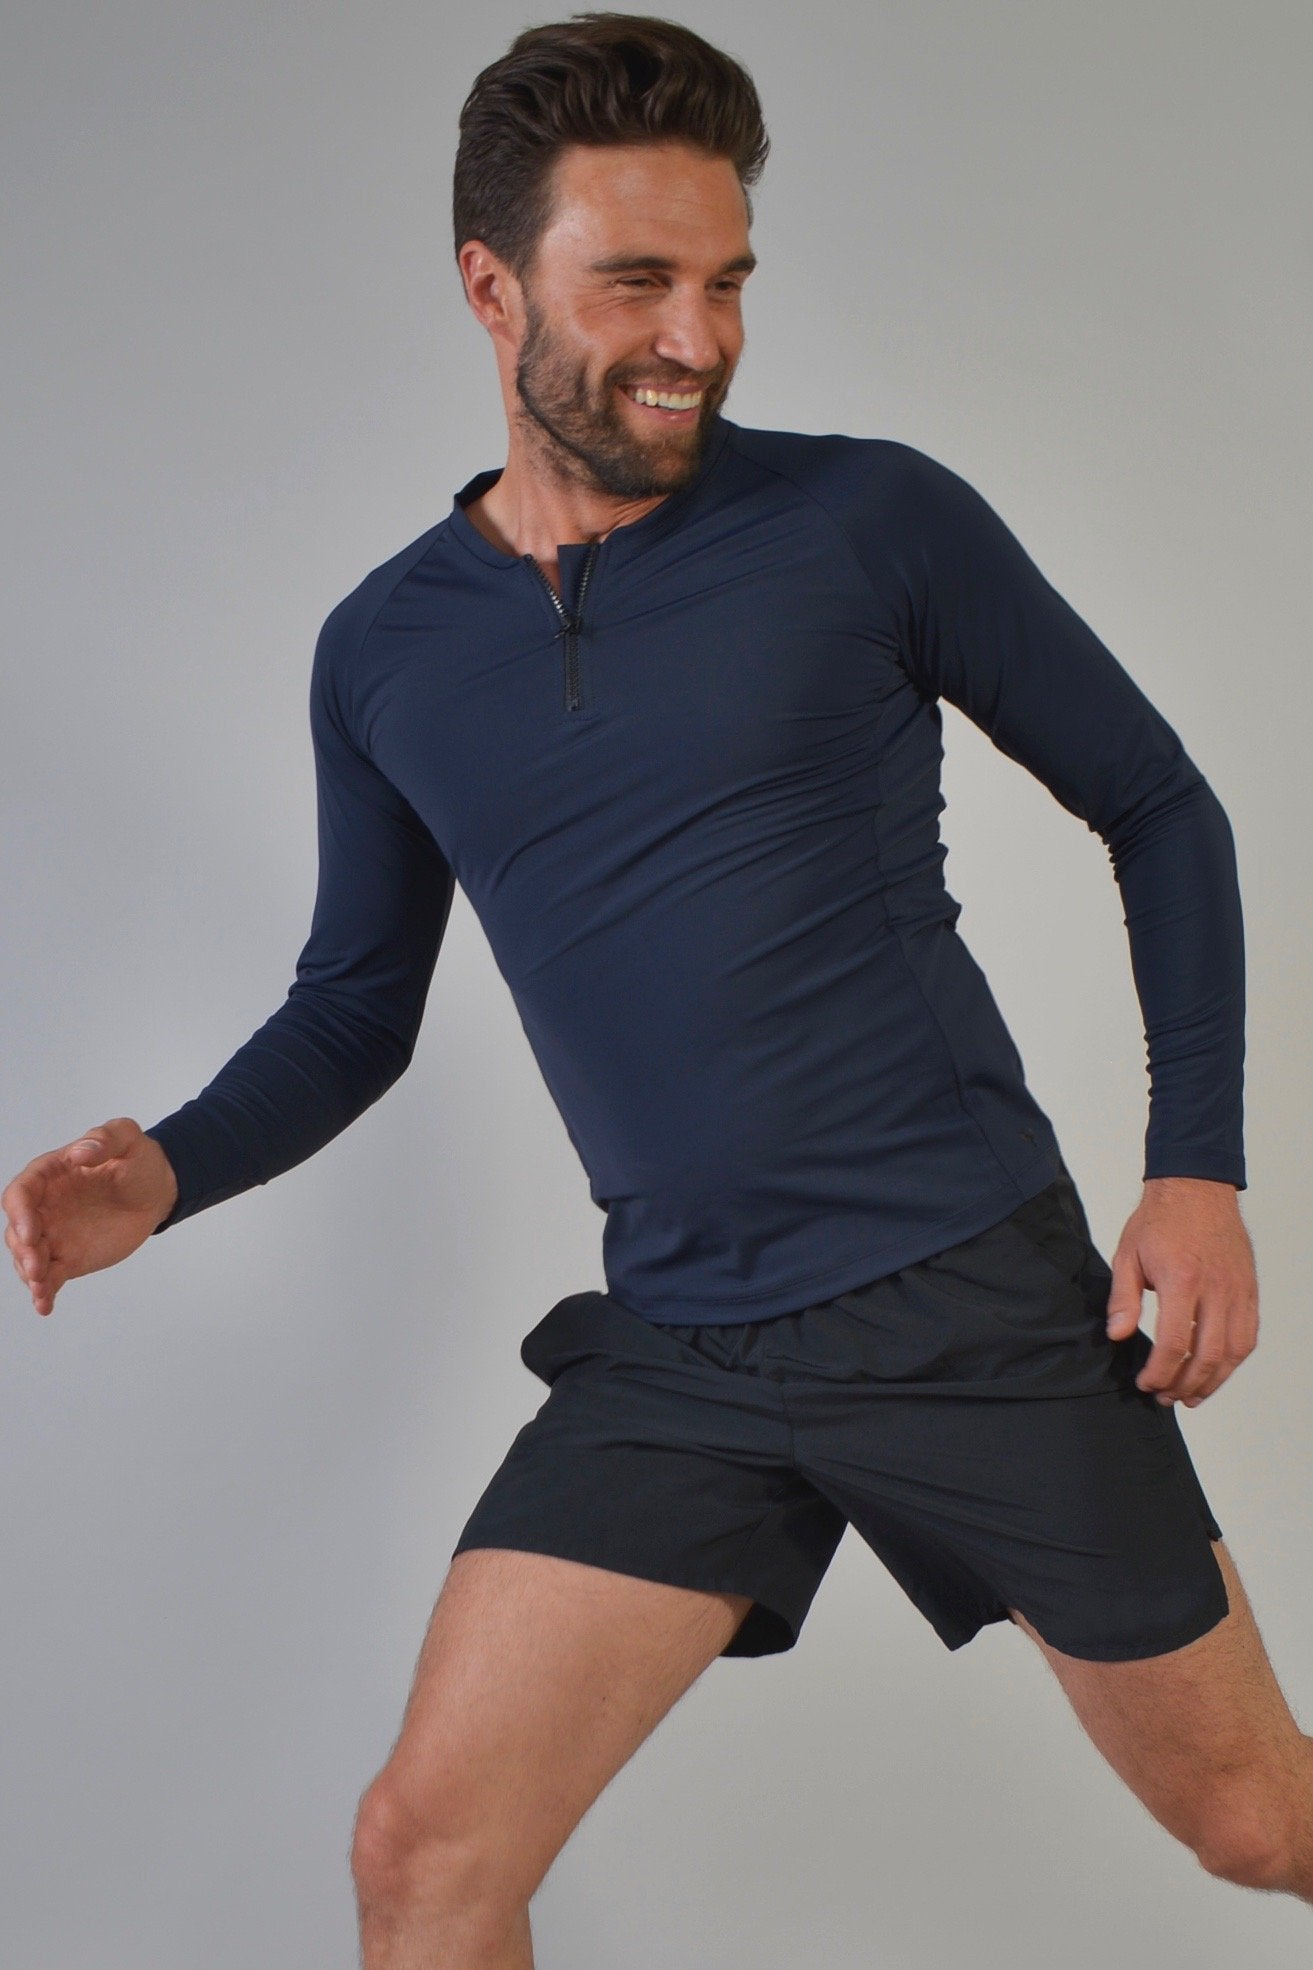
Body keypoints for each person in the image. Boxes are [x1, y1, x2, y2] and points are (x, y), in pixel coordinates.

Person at [3, 11, 1304, 1965]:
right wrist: (167, 1173)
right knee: (423, 1855)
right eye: (636, 282)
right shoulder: (385, 652)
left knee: (1255, 1817)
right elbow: (355, 1008)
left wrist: (1195, 1169)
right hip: (686, 1339)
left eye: (726, 281)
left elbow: (1159, 802)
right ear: (490, 286)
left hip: (963, 1296)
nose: (696, 336)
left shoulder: (869, 521)